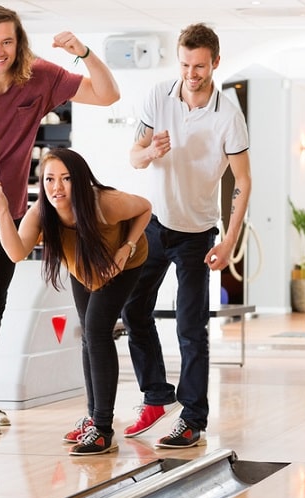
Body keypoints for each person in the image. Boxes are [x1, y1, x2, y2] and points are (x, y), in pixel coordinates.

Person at [0, 4, 121, 434]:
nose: (0, 51)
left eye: (8, 41)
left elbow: (108, 95)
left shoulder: (40, 77)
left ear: (19, 43)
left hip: (9, 215)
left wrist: (84, 52)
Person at [120, 23, 252, 449]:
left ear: (215, 62)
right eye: (184, 64)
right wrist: (150, 152)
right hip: (153, 224)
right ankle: (157, 395)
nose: (190, 73)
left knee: (191, 329)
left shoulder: (228, 115)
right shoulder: (158, 96)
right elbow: (134, 157)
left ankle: (193, 419)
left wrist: (229, 240)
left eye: (199, 66)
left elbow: (243, 181)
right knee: (132, 309)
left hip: (197, 233)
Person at [0, 147, 151, 455]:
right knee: (88, 335)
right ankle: (93, 417)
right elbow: (16, 252)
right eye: (49, 180)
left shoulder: (105, 204)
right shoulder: (41, 213)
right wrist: (2, 210)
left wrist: (127, 246)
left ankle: (103, 428)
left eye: (66, 179)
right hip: (83, 268)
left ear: (80, 180)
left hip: (123, 262)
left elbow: (145, 208)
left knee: (97, 333)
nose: (56, 187)